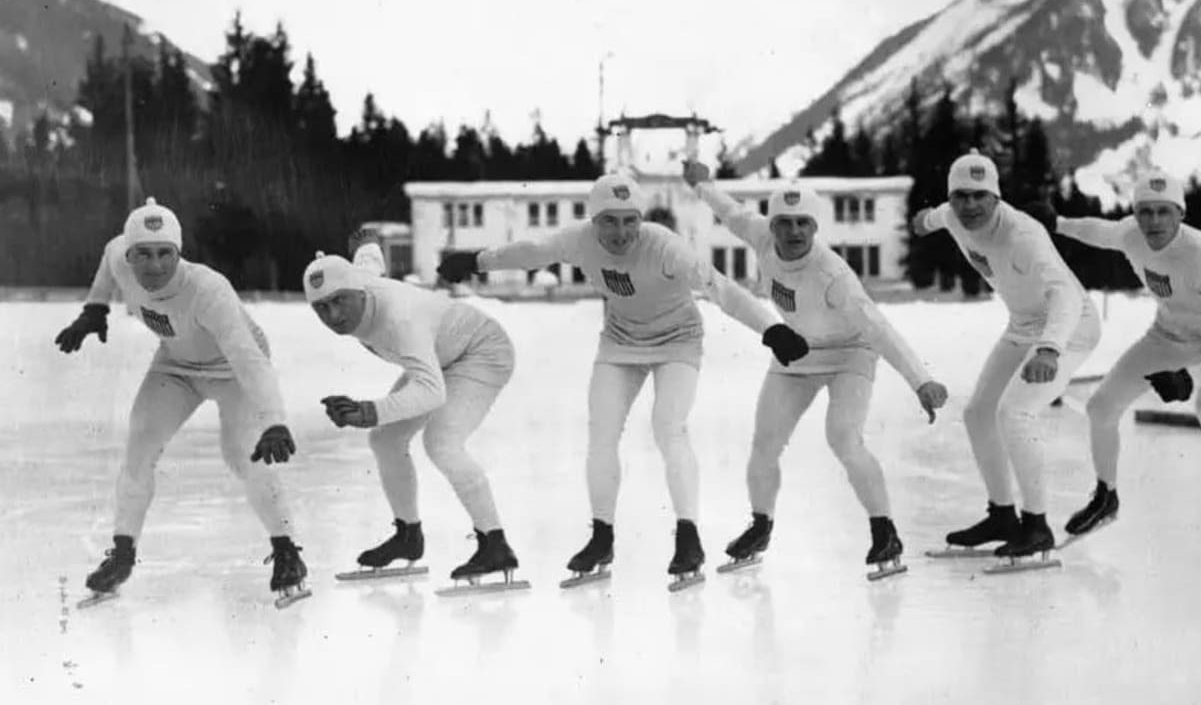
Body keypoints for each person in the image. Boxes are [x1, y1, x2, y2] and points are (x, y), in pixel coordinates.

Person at [435, 173, 809, 591]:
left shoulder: (665, 247)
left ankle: (688, 537)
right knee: (602, 432)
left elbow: (722, 289)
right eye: (609, 221)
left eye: (630, 220)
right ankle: (602, 537)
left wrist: (771, 329)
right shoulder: (580, 240)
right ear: (594, 220)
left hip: (677, 341)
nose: (621, 232)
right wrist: (477, 261)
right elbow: (533, 252)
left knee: (669, 427)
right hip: (621, 342)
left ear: (640, 219)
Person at [681, 160, 948, 581]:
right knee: (765, 442)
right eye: (785, 223)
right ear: (772, 226)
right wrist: (702, 184)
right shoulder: (760, 236)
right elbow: (730, 212)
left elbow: (878, 328)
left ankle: (885, 531)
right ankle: (760, 526)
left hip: (850, 354)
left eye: (803, 223)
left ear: (815, 226)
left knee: (843, 437)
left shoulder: (832, 274)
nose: (794, 232)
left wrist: (921, 380)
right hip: (798, 352)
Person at [55, 197, 308, 607]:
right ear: (129, 254)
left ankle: (287, 551)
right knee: (140, 445)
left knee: (244, 455)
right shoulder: (119, 255)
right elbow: (108, 258)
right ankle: (122, 556)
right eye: (143, 254)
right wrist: (95, 308)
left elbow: (249, 358)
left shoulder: (207, 290)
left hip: (233, 370)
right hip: (176, 366)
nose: (154, 266)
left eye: (164, 254)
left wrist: (274, 421)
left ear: (179, 253)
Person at [1030, 171, 1201, 563]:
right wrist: (1058, 224)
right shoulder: (1131, 233)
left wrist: (1191, 378)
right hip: (1168, 335)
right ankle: (1106, 497)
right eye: (1145, 212)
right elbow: (1101, 231)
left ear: (1181, 213)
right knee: (1100, 407)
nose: (1154, 222)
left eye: (1164, 212)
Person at [303, 228, 526, 592]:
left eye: (340, 301)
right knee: (386, 440)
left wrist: (368, 411)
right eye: (321, 308)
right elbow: (368, 262)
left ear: (358, 292)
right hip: (440, 355)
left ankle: (495, 545)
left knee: (442, 443)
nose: (334, 315)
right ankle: (408, 536)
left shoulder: (399, 320)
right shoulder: (357, 280)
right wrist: (367, 242)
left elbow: (431, 392)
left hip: (481, 351)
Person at [910, 151, 1102, 569]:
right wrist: (923, 221)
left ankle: (1037, 525)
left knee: (1015, 413)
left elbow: (1066, 296)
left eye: (980, 196)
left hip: (1070, 326)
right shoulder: (953, 215)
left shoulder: (1024, 234)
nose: (970, 205)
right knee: (978, 413)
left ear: (996, 198)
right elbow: (934, 217)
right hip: (1023, 324)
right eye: (961, 196)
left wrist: (1049, 349)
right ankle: (1002, 516)